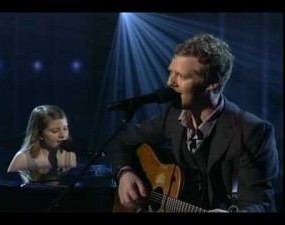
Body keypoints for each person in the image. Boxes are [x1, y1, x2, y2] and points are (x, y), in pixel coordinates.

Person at [109, 33, 279, 212]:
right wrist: (124, 173)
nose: (169, 82)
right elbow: (121, 141)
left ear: (212, 82)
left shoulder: (253, 131)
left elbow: (262, 205)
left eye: (180, 76)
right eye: (171, 73)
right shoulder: (173, 116)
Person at [7, 105, 77, 182]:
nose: (63, 135)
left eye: (65, 128)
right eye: (55, 131)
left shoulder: (69, 156)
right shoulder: (23, 158)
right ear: (39, 133)